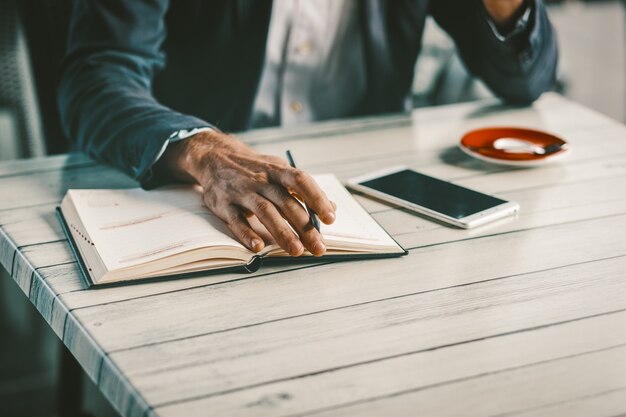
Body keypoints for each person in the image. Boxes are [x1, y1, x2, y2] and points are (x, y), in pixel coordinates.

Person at [57, 0, 558, 258]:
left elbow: (525, 79)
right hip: (189, 195)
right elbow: (96, 78)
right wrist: (204, 151)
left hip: (372, 207)